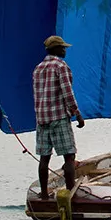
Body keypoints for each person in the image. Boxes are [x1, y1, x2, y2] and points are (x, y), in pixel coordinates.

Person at [34, 34, 85, 197]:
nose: (64, 50)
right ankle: (71, 193)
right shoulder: (60, 66)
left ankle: (43, 194)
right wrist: (77, 114)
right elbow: (67, 93)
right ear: (55, 49)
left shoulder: (38, 68)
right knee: (69, 156)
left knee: (44, 157)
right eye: (62, 47)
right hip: (58, 118)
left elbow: (36, 95)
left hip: (42, 119)